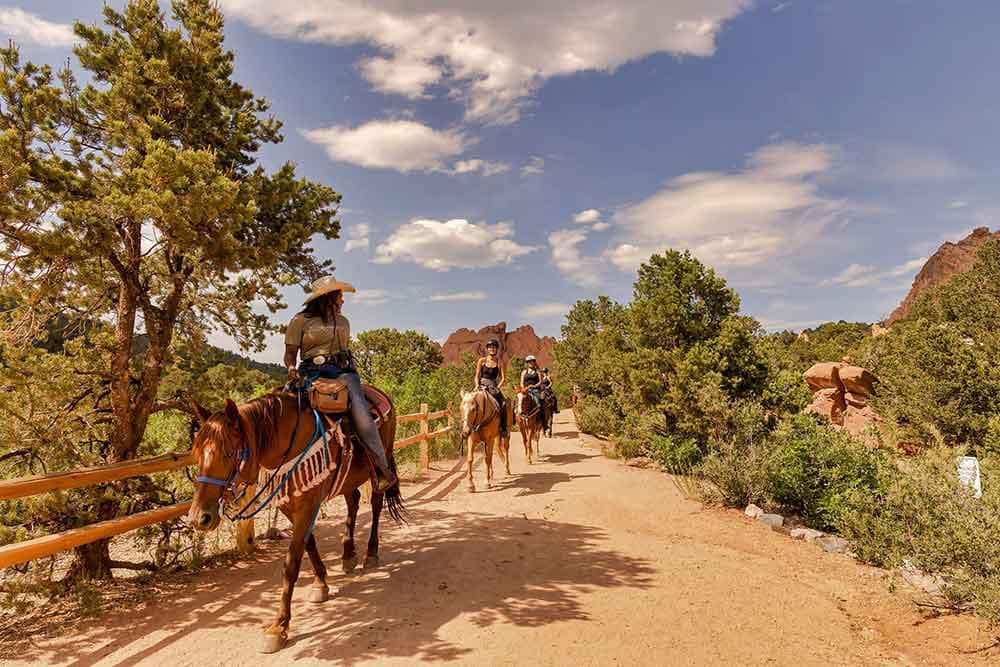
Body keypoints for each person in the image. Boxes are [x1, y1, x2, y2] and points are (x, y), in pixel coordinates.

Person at [284, 276, 398, 492]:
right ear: (328, 298)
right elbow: (290, 354)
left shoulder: (343, 321)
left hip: (342, 373)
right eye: (339, 296)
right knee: (282, 408)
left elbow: (344, 351)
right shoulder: (299, 321)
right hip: (310, 371)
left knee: (362, 413)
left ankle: (382, 469)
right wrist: (291, 369)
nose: (342, 301)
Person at [474, 338, 507, 436]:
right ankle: (468, 427)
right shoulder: (482, 361)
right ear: (487, 349)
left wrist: (498, 387)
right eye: (490, 347)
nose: (492, 349)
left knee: (504, 404)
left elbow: (503, 378)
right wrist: (477, 385)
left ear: (497, 349)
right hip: (481, 385)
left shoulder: (500, 362)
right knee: (469, 402)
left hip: (493, 386)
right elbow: (477, 375)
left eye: (494, 347)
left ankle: (503, 428)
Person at [520, 355, 546, 426]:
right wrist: (523, 388)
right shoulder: (524, 372)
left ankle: (542, 421)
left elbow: (540, 382)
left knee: (539, 403)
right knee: (517, 401)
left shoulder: (537, 372)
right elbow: (521, 382)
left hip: (535, 390)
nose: (531, 363)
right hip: (525, 390)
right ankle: (516, 419)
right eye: (529, 362)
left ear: (534, 362)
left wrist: (533, 386)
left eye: (532, 362)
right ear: (527, 363)